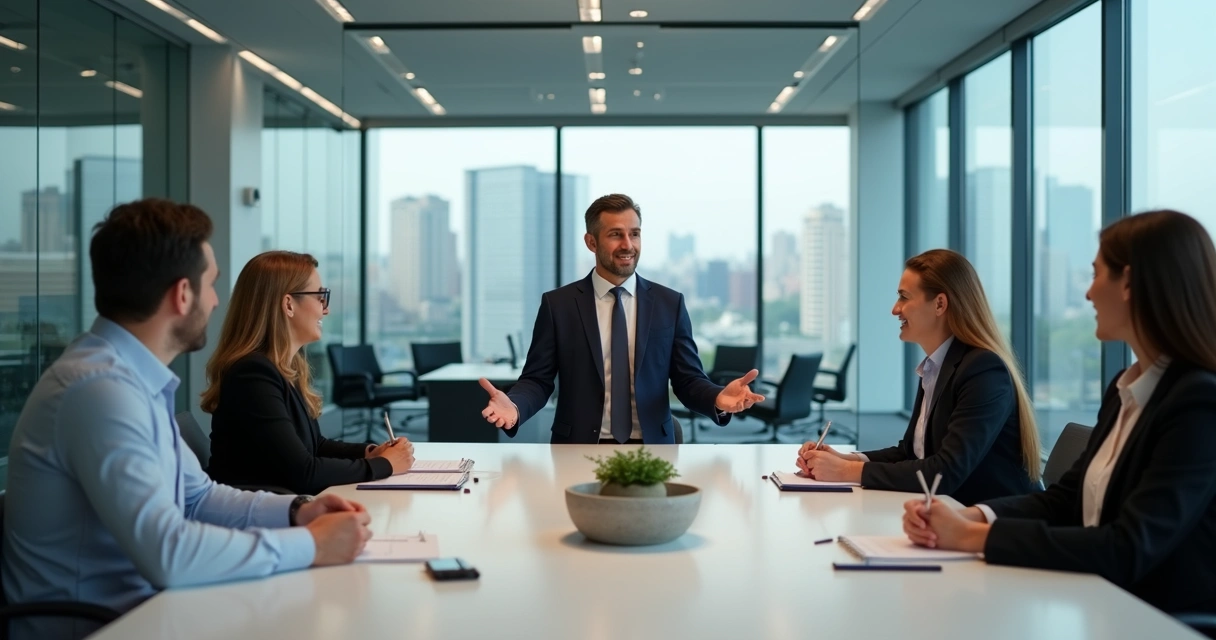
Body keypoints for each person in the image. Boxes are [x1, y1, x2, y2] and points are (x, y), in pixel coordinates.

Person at [2, 200, 373, 637]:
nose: (216, 301)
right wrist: (310, 544)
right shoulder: (98, 391)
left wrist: (299, 511)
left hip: (153, 610)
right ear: (182, 294)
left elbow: (199, 498)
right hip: (107, 626)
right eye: (211, 284)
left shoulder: (132, 381)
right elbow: (169, 554)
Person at [903, 210, 1216, 614]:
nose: (1088, 294)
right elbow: (1065, 500)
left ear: (1129, 284)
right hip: (1096, 601)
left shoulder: (1198, 404)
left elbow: (1128, 547)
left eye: (1096, 274)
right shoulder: (1125, 389)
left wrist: (970, 538)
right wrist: (975, 516)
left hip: (1154, 619)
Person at [478, 193, 764, 444]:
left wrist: (717, 398)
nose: (628, 244)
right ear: (591, 242)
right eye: (616, 234)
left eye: (634, 234)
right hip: (578, 447)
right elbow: (538, 380)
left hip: (652, 449)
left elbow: (688, 380)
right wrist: (515, 406)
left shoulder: (669, 303)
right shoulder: (559, 305)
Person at [798, 249, 1040, 505]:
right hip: (951, 512)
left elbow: (945, 472)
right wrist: (843, 459)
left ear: (940, 304)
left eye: (904, 297)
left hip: (996, 521)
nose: (895, 309)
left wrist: (846, 471)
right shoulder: (937, 366)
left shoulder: (983, 370)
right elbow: (911, 452)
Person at [204, 251, 414, 495]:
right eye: (320, 297)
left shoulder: (280, 369)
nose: (326, 309)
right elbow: (304, 472)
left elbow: (315, 446)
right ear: (288, 304)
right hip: (266, 514)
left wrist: (370, 453)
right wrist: (385, 465)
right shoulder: (252, 375)